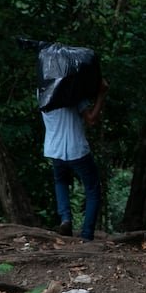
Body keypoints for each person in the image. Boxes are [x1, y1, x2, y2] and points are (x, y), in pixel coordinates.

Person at [42, 78, 108, 241]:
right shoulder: (74, 94)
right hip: (76, 149)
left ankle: (65, 220)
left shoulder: (42, 92)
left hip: (54, 148)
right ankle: (86, 235)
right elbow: (91, 119)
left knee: (61, 181)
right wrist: (101, 94)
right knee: (93, 189)